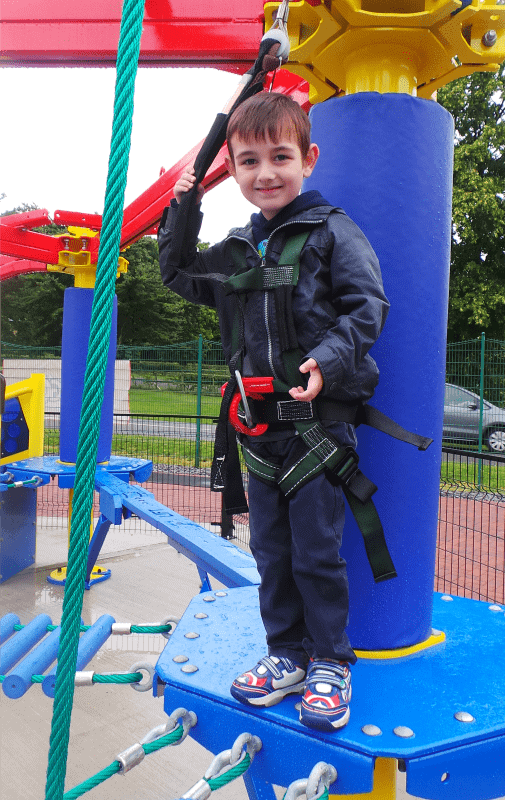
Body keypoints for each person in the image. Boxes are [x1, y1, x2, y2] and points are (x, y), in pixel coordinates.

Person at [158, 92, 389, 732]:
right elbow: (175, 273)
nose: (266, 173)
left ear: (308, 159)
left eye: (280, 157)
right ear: (231, 169)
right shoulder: (236, 251)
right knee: (270, 549)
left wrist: (329, 360)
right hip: (257, 432)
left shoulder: (333, 233)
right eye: (249, 161)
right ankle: (285, 652)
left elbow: (367, 308)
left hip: (316, 425)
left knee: (317, 549)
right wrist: (183, 205)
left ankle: (332, 664)